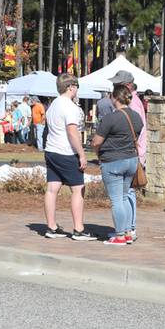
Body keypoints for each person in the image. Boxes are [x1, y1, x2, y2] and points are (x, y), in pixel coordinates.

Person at [43, 74, 96, 240]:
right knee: (78, 189)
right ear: (70, 87)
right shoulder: (69, 107)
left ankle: (51, 227)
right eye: (77, 86)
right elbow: (72, 132)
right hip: (66, 152)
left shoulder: (53, 105)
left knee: (52, 189)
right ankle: (79, 229)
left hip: (51, 150)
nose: (77, 89)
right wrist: (81, 154)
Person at [91, 84, 142, 245]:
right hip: (131, 160)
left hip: (113, 161)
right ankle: (127, 232)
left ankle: (119, 235)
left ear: (114, 97)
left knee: (116, 200)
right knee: (125, 196)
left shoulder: (111, 118)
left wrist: (98, 152)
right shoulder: (136, 116)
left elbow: (96, 142)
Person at [109, 71, 147, 238]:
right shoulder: (133, 102)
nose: (114, 87)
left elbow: (138, 130)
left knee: (128, 193)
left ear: (128, 85)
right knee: (127, 193)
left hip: (132, 152)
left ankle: (129, 228)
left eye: (118, 84)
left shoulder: (133, 104)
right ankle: (127, 228)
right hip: (132, 152)